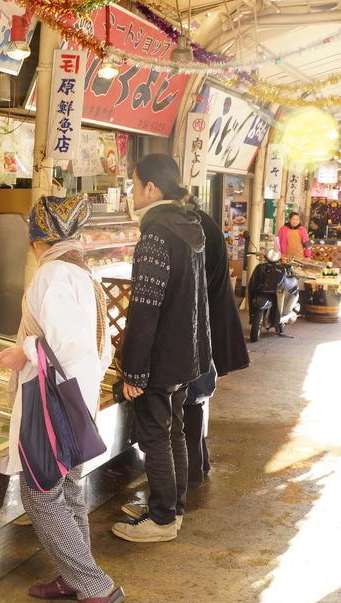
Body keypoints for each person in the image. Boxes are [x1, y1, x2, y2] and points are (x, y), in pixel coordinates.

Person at [0, 194, 122, 603]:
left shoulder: (51, 274)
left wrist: (22, 351)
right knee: (67, 489)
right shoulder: (85, 275)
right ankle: (72, 576)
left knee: (40, 493)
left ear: (37, 240)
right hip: (77, 399)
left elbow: (66, 346)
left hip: (49, 404)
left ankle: (94, 585)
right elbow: (99, 348)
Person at [113, 154, 212, 543]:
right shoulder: (187, 225)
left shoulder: (156, 234)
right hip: (185, 353)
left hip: (160, 356)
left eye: (134, 184)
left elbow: (145, 307)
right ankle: (174, 506)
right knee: (174, 433)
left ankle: (161, 519)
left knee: (156, 435)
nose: (132, 192)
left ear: (151, 188)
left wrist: (133, 369)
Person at [184, 205, 250, 487]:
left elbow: (196, 283)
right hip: (211, 322)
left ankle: (192, 472)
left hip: (206, 325)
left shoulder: (193, 226)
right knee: (196, 399)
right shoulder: (201, 221)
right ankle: (199, 462)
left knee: (192, 399)